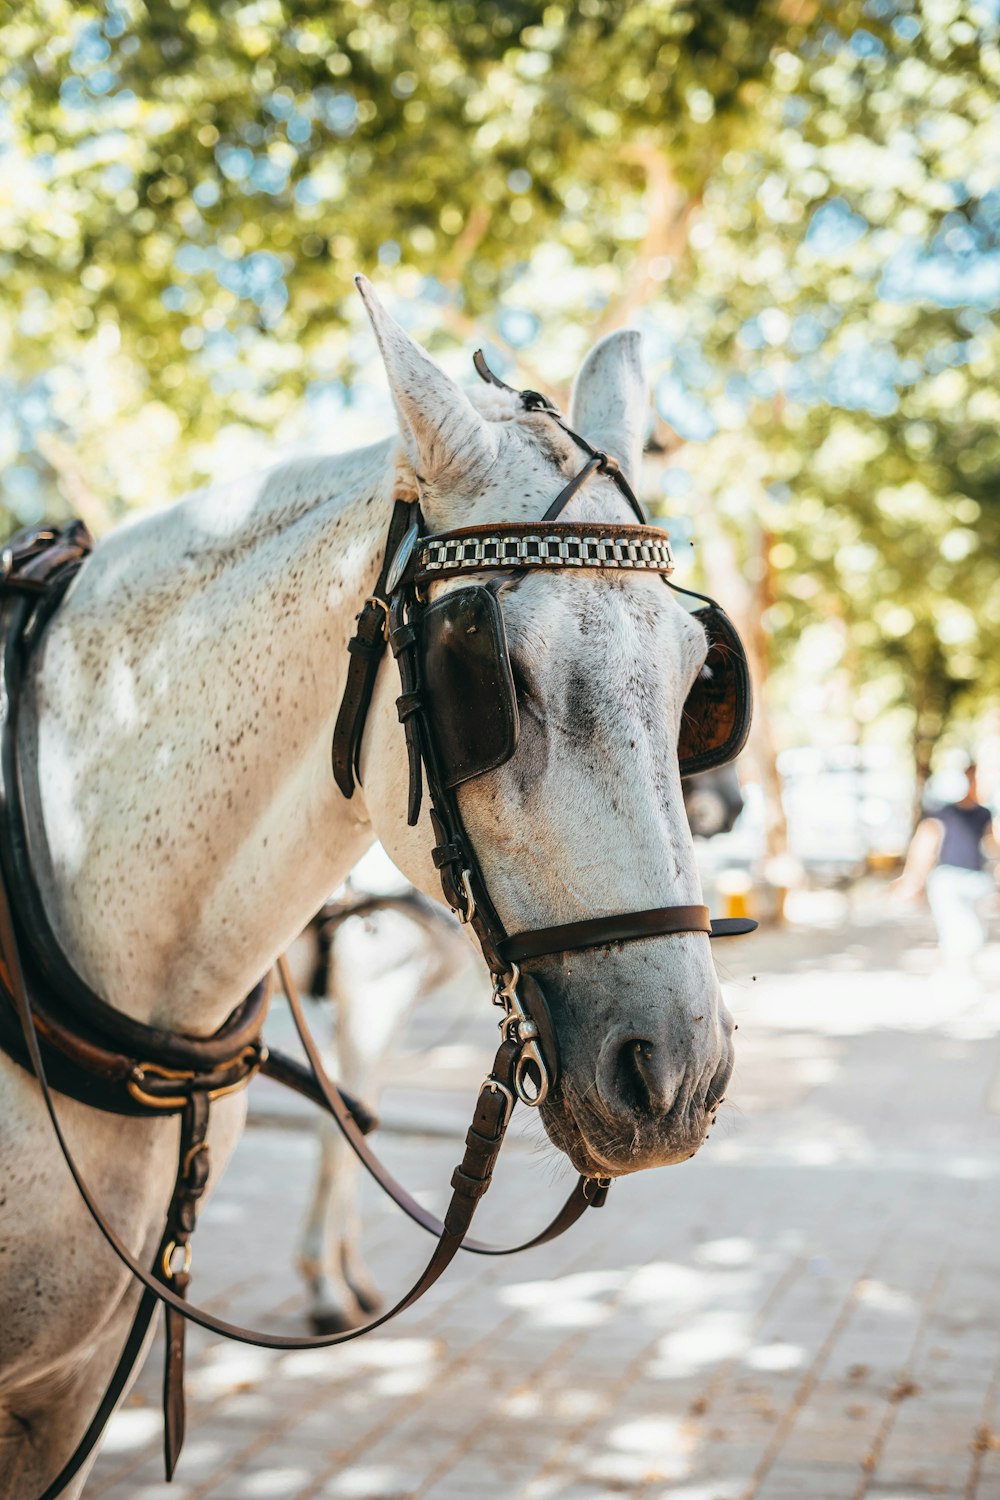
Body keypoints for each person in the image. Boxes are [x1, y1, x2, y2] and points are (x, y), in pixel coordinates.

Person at [895, 763, 998, 966]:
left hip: (975, 882)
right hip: (948, 881)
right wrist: (913, 880)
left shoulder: (984, 814)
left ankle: (954, 976)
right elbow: (925, 845)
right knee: (963, 937)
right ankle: (951, 979)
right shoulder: (944, 813)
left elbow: (993, 846)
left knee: (969, 938)